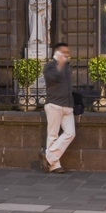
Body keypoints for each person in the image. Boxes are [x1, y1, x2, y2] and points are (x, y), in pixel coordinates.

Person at [41, 42, 75, 174]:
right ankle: (54, 165)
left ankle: (48, 157)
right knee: (53, 135)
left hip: (68, 105)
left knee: (70, 133)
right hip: (54, 104)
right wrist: (59, 66)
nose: (67, 54)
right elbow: (50, 79)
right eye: (64, 52)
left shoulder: (67, 66)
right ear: (57, 53)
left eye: (68, 52)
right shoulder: (50, 66)